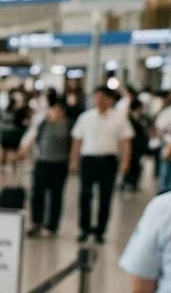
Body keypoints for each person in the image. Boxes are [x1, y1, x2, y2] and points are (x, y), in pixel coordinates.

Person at [70, 86, 133, 244]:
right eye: (96, 97)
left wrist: (125, 162)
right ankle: (84, 229)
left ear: (110, 100)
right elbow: (77, 141)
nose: (98, 101)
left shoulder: (119, 118)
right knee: (85, 196)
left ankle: (100, 230)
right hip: (89, 159)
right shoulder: (86, 117)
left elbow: (125, 142)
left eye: (102, 97)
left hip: (108, 160)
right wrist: (74, 161)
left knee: (105, 197)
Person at [21, 99, 72, 237]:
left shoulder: (68, 125)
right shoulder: (43, 123)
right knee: (37, 193)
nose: (54, 112)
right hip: (42, 162)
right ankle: (37, 222)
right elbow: (33, 136)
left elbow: (73, 145)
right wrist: (25, 150)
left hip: (59, 164)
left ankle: (52, 225)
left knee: (56, 195)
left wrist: (73, 162)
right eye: (53, 109)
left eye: (58, 110)